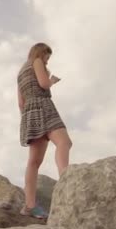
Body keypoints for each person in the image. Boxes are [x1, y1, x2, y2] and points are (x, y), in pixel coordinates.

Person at [17, 42, 72, 219]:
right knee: (64, 142)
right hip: (44, 106)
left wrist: (28, 119)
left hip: (29, 112)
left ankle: (30, 205)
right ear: (40, 53)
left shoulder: (20, 73)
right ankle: (66, 181)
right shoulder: (37, 61)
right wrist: (52, 80)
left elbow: (20, 103)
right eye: (47, 58)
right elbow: (43, 83)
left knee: (33, 162)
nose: (47, 62)